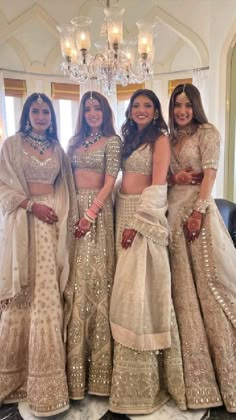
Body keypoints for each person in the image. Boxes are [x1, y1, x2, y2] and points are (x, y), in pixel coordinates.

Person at [109, 89, 186, 415]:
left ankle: (143, 383)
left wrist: (138, 223)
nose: (141, 110)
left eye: (148, 106)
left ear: (156, 112)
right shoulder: (129, 139)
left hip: (142, 219)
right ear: (130, 112)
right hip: (121, 213)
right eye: (136, 105)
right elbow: (124, 179)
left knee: (139, 292)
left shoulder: (161, 140)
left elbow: (156, 186)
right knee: (123, 290)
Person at [0, 93, 77, 416]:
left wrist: (60, 214)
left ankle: (47, 380)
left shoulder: (59, 149)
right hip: (24, 224)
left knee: (46, 295)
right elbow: (3, 185)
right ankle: (14, 374)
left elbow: (66, 188)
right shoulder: (12, 145)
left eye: (46, 111)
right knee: (23, 293)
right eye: (36, 111)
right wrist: (32, 206)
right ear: (27, 114)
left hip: (51, 228)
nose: (42, 115)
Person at [168, 83, 236, 412]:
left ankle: (225, 371)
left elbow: (209, 174)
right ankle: (191, 373)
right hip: (171, 217)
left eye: (187, 105)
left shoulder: (208, 132)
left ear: (196, 105)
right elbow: (164, 176)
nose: (182, 111)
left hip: (198, 216)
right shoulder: (170, 137)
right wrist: (175, 179)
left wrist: (197, 212)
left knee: (209, 286)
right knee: (182, 290)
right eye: (177, 105)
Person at [66, 91, 122, 400]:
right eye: (87, 108)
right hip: (73, 212)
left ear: (105, 111)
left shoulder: (112, 142)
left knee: (96, 281)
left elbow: (110, 180)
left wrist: (90, 214)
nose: (92, 112)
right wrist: (72, 213)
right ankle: (75, 368)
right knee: (75, 282)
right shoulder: (74, 142)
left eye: (97, 107)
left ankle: (100, 370)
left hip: (98, 214)